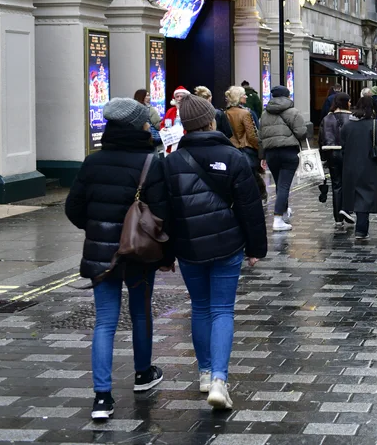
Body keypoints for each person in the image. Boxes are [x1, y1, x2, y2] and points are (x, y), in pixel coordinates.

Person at [65, 97, 169, 421]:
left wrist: (96, 229)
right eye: (145, 122)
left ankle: (102, 398)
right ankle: (143, 373)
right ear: (138, 126)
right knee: (140, 312)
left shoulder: (92, 162)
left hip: (102, 255)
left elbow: (73, 208)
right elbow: (163, 212)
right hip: (139, 252)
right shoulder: (151, 162)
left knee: (105, 321)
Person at [163, 93, 267, 411]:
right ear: (211, 121)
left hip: (188, 245)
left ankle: (205, 374)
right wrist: (255, 248)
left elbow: (163, 211)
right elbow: (250, 207)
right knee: (222, 310)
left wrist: (166, 254)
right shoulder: (233, 157)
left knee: (200, 307)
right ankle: (220, 380)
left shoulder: (171, 162)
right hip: (227, 243)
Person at [258, 86, 308, 232]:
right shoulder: (293, 112)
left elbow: (260, 137)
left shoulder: (264, 114)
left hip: (271, 153)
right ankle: (278, 218)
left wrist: (262, 156)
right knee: (284, 186)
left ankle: (284, 211)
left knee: (280, 184)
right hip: (289, 152)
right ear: (287, 96)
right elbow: (301, 132)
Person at [339, 96, 377, 239]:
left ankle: (350, 215)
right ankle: (361, 229)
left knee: (353, 194)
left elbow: (342, 145)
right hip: (368, 164)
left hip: (349, 165)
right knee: (365, 195)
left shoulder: (347, 125)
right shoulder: (374, 124)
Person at [224, 86, 265, 201]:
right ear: (238, 97)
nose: (246, 96)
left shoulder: (225, 113)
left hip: (231, 150)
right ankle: (259, 197)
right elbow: (252, 135)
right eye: (243, 95)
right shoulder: (245, 113)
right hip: (246, 149)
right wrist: (259, 149)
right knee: (253, 176)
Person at [320, 92, 355, 228]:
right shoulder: (352, 118)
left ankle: (338, 218)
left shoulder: (327, 118)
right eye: (349, 101)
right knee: (349, 183)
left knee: (336, 185)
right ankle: (347, 210)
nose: (350, 104)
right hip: (348, 153)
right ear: (345, 102)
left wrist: (323, 158)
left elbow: (321, 138)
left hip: (331, 153)